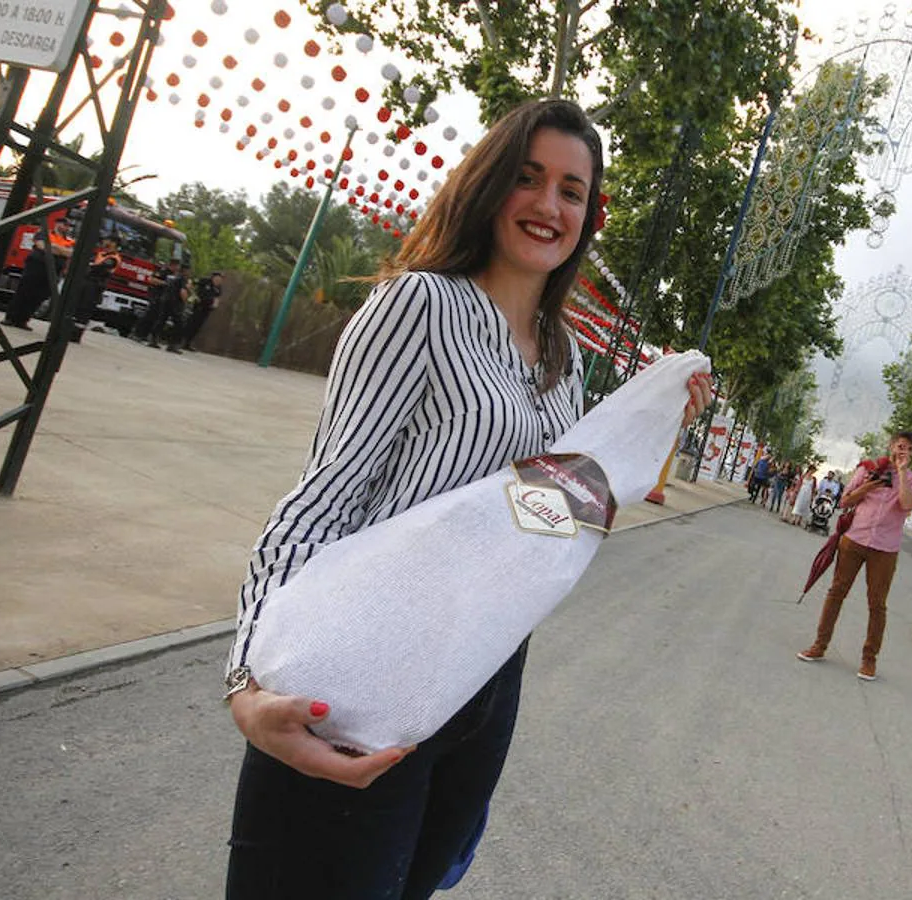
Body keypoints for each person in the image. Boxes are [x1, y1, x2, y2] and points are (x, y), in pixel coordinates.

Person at [222, 99, 712, 898]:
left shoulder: (567, 359)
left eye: (571, 190)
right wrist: (247, 682)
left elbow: (544, 523)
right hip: (365, 667)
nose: (548, 205)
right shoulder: (418, 306)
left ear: (587, 216)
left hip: (483, 682)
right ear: (489, 185)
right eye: (528, 179)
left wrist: (641, 432)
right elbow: (323, 497)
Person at [797, 432, 912, 680]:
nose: (903, 451)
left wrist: (900, 473)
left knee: (877, 604)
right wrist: (869, 485)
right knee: (836, 592)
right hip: (854, 540)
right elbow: (844, 502)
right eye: (900, 446)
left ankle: (869, 660)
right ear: (890, 446)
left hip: (885, 549)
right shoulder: (867, 469)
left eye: (908, 448)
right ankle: (819, 645)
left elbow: (907, 505)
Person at [2, 222, 72, 330]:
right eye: (64, 224)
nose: (66, 227)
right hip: (37, 266)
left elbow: (70, 253)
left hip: (54, 271)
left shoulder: (70, 240)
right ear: (57, 224)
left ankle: (23, 320)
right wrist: (60, 250)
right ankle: (10, 318)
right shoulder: (44, 233)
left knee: (39, 296)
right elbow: (41, 246)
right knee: (24, 292)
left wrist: (54, 247)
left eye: (68, 225)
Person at [70, 236, 121, 342]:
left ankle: (76, 335)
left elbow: (98, 269)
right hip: (86, 282)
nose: (103, 242)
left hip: (95, 285)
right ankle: (68, 330)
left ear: (113, 243)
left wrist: (89, 266)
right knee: (75, 306)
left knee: (85, 309)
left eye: (106, 240)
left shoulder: (113, 258)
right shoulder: (100, 254)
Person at [181, 270, 223, 351]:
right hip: (198, 306)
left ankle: (188, 343)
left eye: (220, 279)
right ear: (213, 277)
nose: (219, 280)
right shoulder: (205, 281)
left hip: (207, 309)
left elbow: (217, 297)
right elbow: (190, 283)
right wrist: (193, 294)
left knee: (197, 326)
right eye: (218, 278)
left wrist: (215, 305)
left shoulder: (218, 287)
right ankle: (180, 340)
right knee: (190, 323)